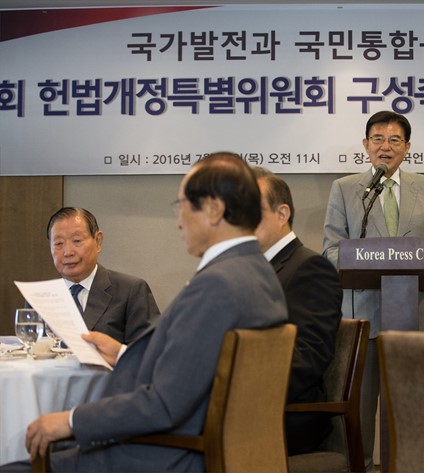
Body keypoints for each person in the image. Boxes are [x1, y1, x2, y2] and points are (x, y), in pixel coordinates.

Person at [23, 153, 288, 472]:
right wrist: (123, 353)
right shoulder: (255, 272)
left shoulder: (217, 285)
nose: (178, 221)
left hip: (166, 454)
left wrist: (71, 420)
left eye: (182, 205)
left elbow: (163, 404)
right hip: (199, 447)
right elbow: (190, 368)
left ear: (214, 209)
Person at [322, 110, 424, 471]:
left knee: (406, 411)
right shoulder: (345, 188)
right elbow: (331, 250)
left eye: (394, 140)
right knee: (358, 415)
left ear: (407, 147)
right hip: (362, 318)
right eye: (377, 139)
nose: (385, 146)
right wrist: (371, 258)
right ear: (365, 145)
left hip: (411, 318)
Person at [253, 167, 342, 455]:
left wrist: (238, 391)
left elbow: (305, 360)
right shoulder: (250, 270)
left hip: (284, 416)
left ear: (282, 214)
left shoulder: (310, 268)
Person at [46, 207, 159, 344]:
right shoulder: (41, 296)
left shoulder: (131, 291)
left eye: (77, 241)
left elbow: (149, 350)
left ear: (98, 241)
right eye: (58, 243)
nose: (68, 252)